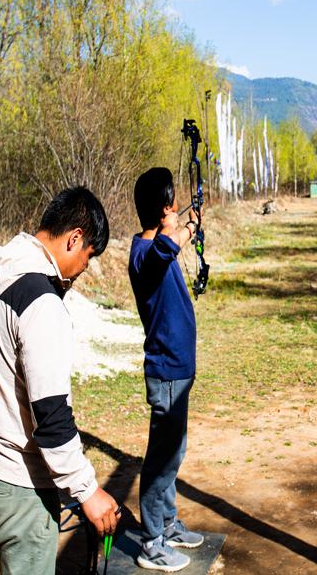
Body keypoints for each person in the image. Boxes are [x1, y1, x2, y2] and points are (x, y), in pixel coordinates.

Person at [0, 187, 119, 575]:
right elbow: (51, 418)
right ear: (75, 239)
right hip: (20, 480)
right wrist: (88, 491)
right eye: (88, 256)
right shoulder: (40, 303)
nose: (85, 268)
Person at [128, 167, 204, 572]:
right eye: (171, 204)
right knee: (161, 459)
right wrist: (180, 227)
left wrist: (188, 225)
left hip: (178, 370)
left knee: (174, 452)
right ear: (164, 209)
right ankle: (152, 541)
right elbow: (163, 250)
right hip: (166, 371)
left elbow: (171, 245)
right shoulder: (144, 254)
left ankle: (169, 524)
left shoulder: (157, 246)